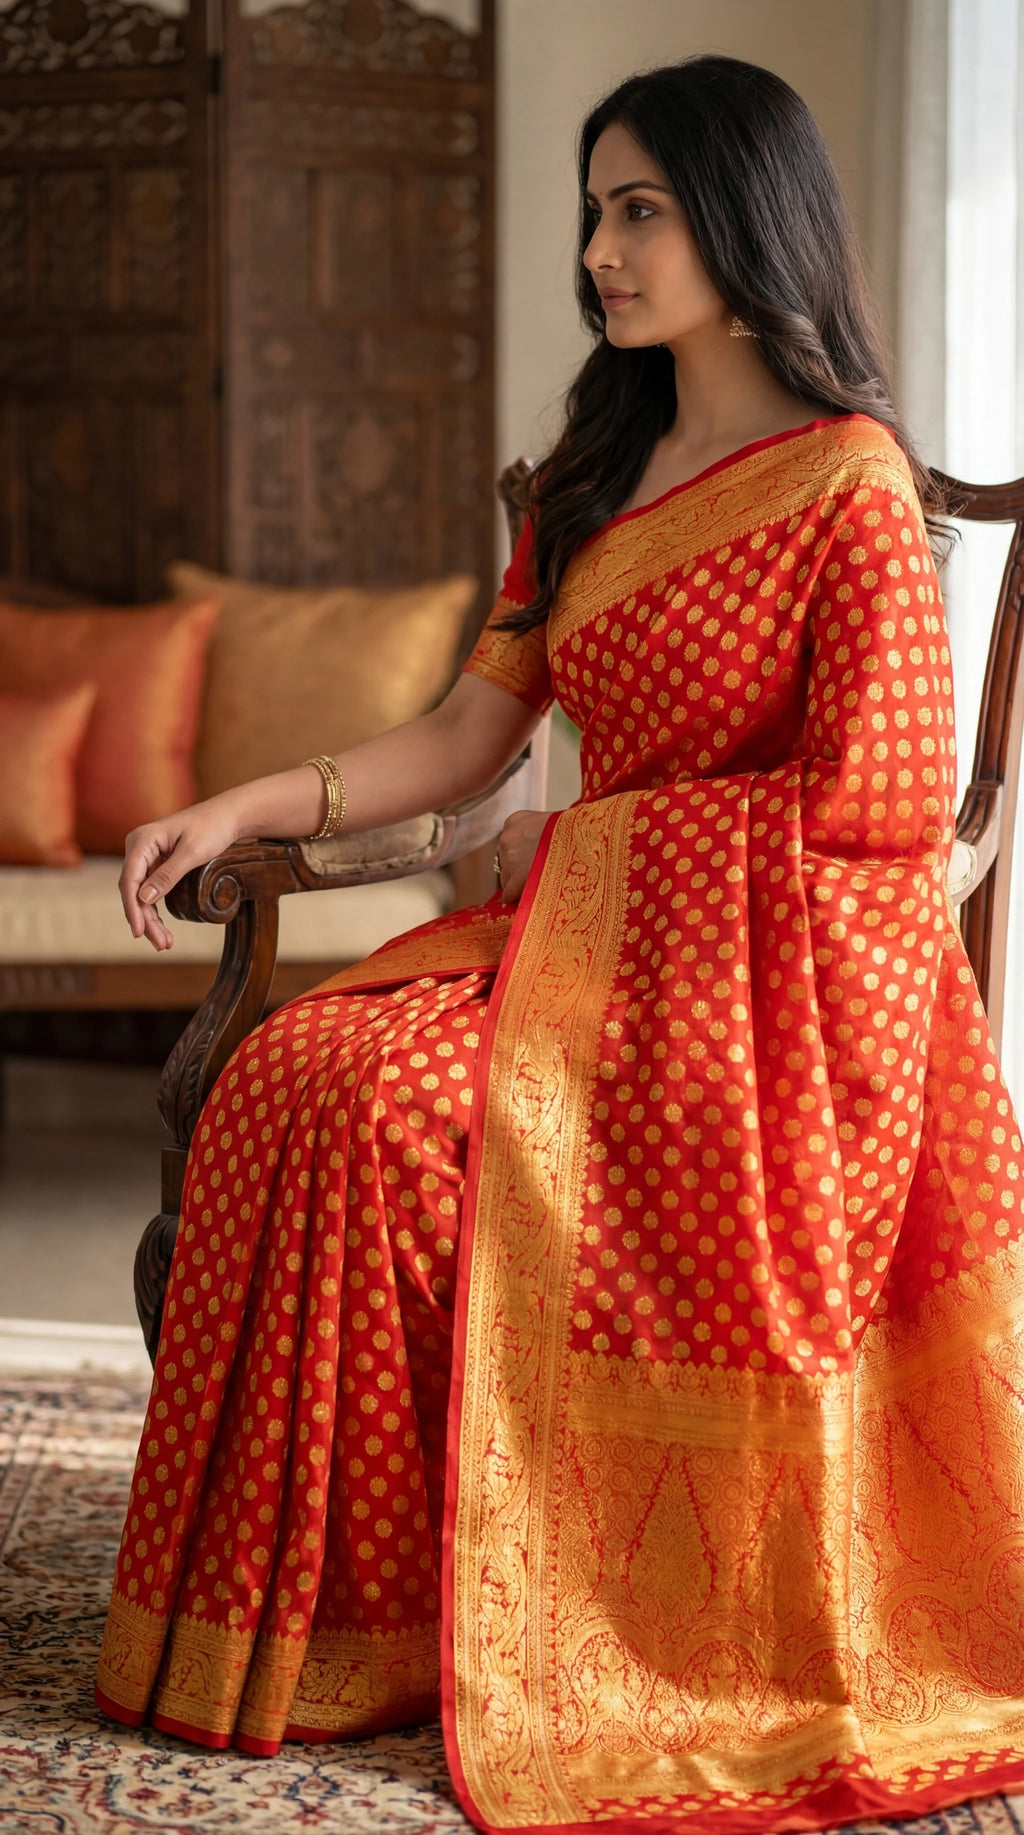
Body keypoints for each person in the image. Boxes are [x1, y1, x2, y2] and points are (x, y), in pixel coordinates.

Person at [96, 53, 1024, 1835]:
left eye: (637, 209)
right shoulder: (596, 469)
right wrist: (245, 804)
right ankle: (340, 1621)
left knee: (374, 1117)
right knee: (305, 1071)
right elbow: (462, 739)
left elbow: (891, 806)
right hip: (580, 956)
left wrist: (589, 846)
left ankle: (492, 1599)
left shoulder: (844, 483)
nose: (598, 250)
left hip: (738, 1001)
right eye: (594, 212)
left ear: (746, 218)